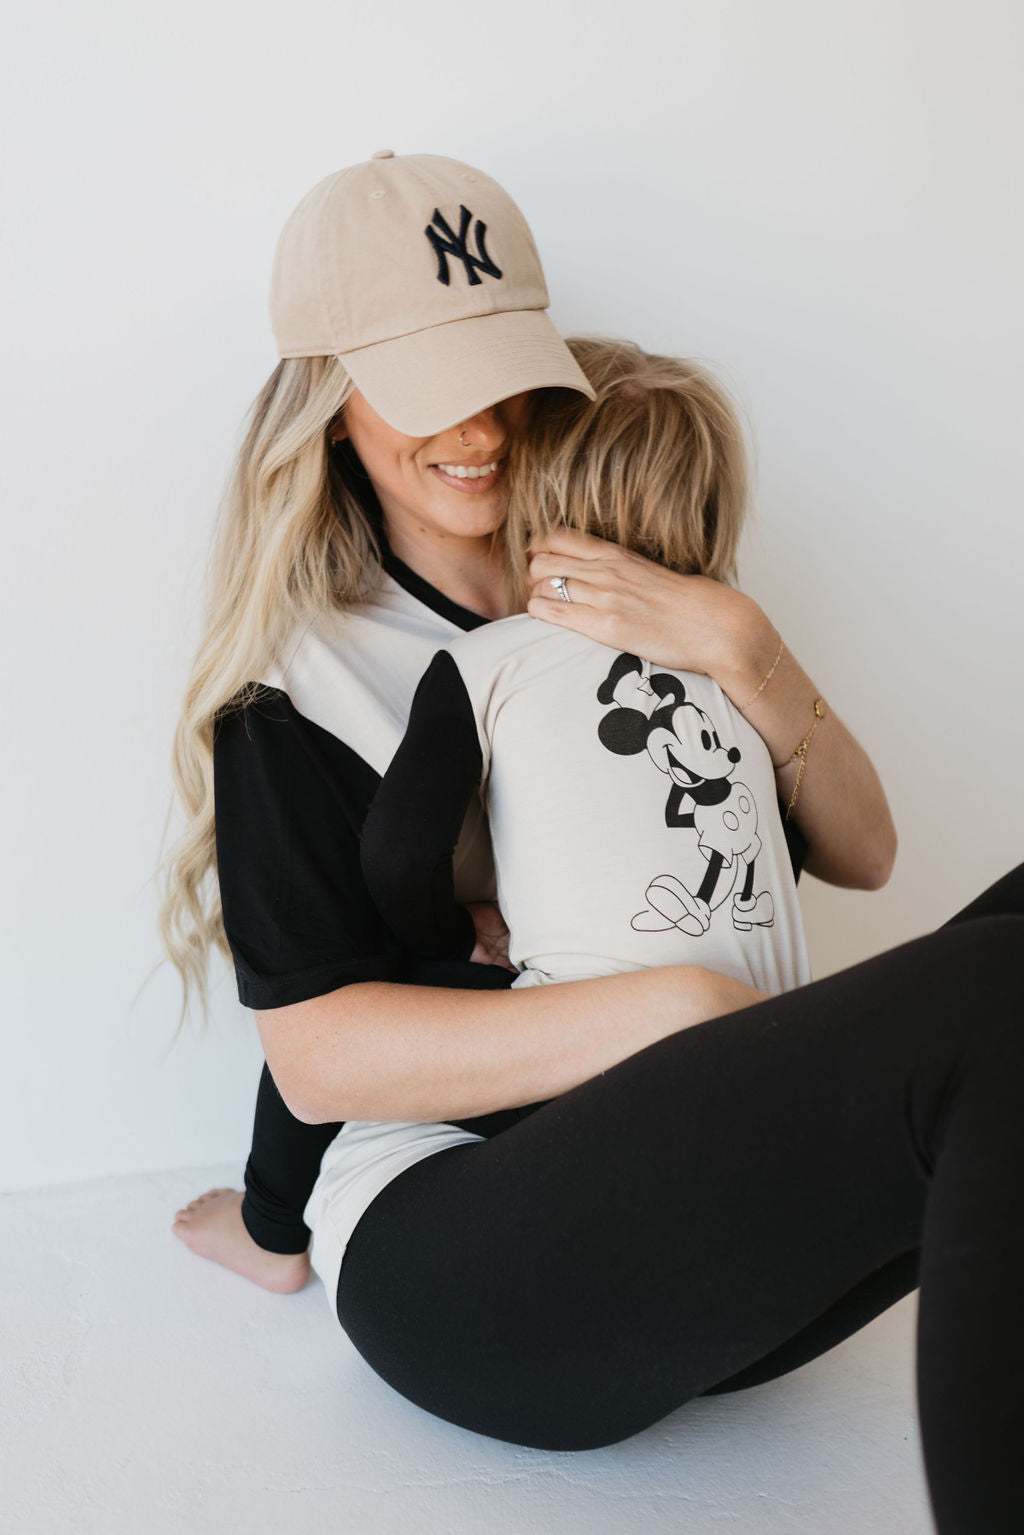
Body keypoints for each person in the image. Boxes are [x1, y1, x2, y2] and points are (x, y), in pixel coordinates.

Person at [165, 152, 1023, 1535]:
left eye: (501, 370)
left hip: (706, 1240)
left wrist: (743, 643)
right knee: (999, 1000)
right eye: (424, 385)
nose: (482, 428)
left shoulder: (630, 568)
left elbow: (864, 851)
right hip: (475, 1266)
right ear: (328, 403)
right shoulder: (299, 687)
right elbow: (318, 1056)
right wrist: (679, 1013)